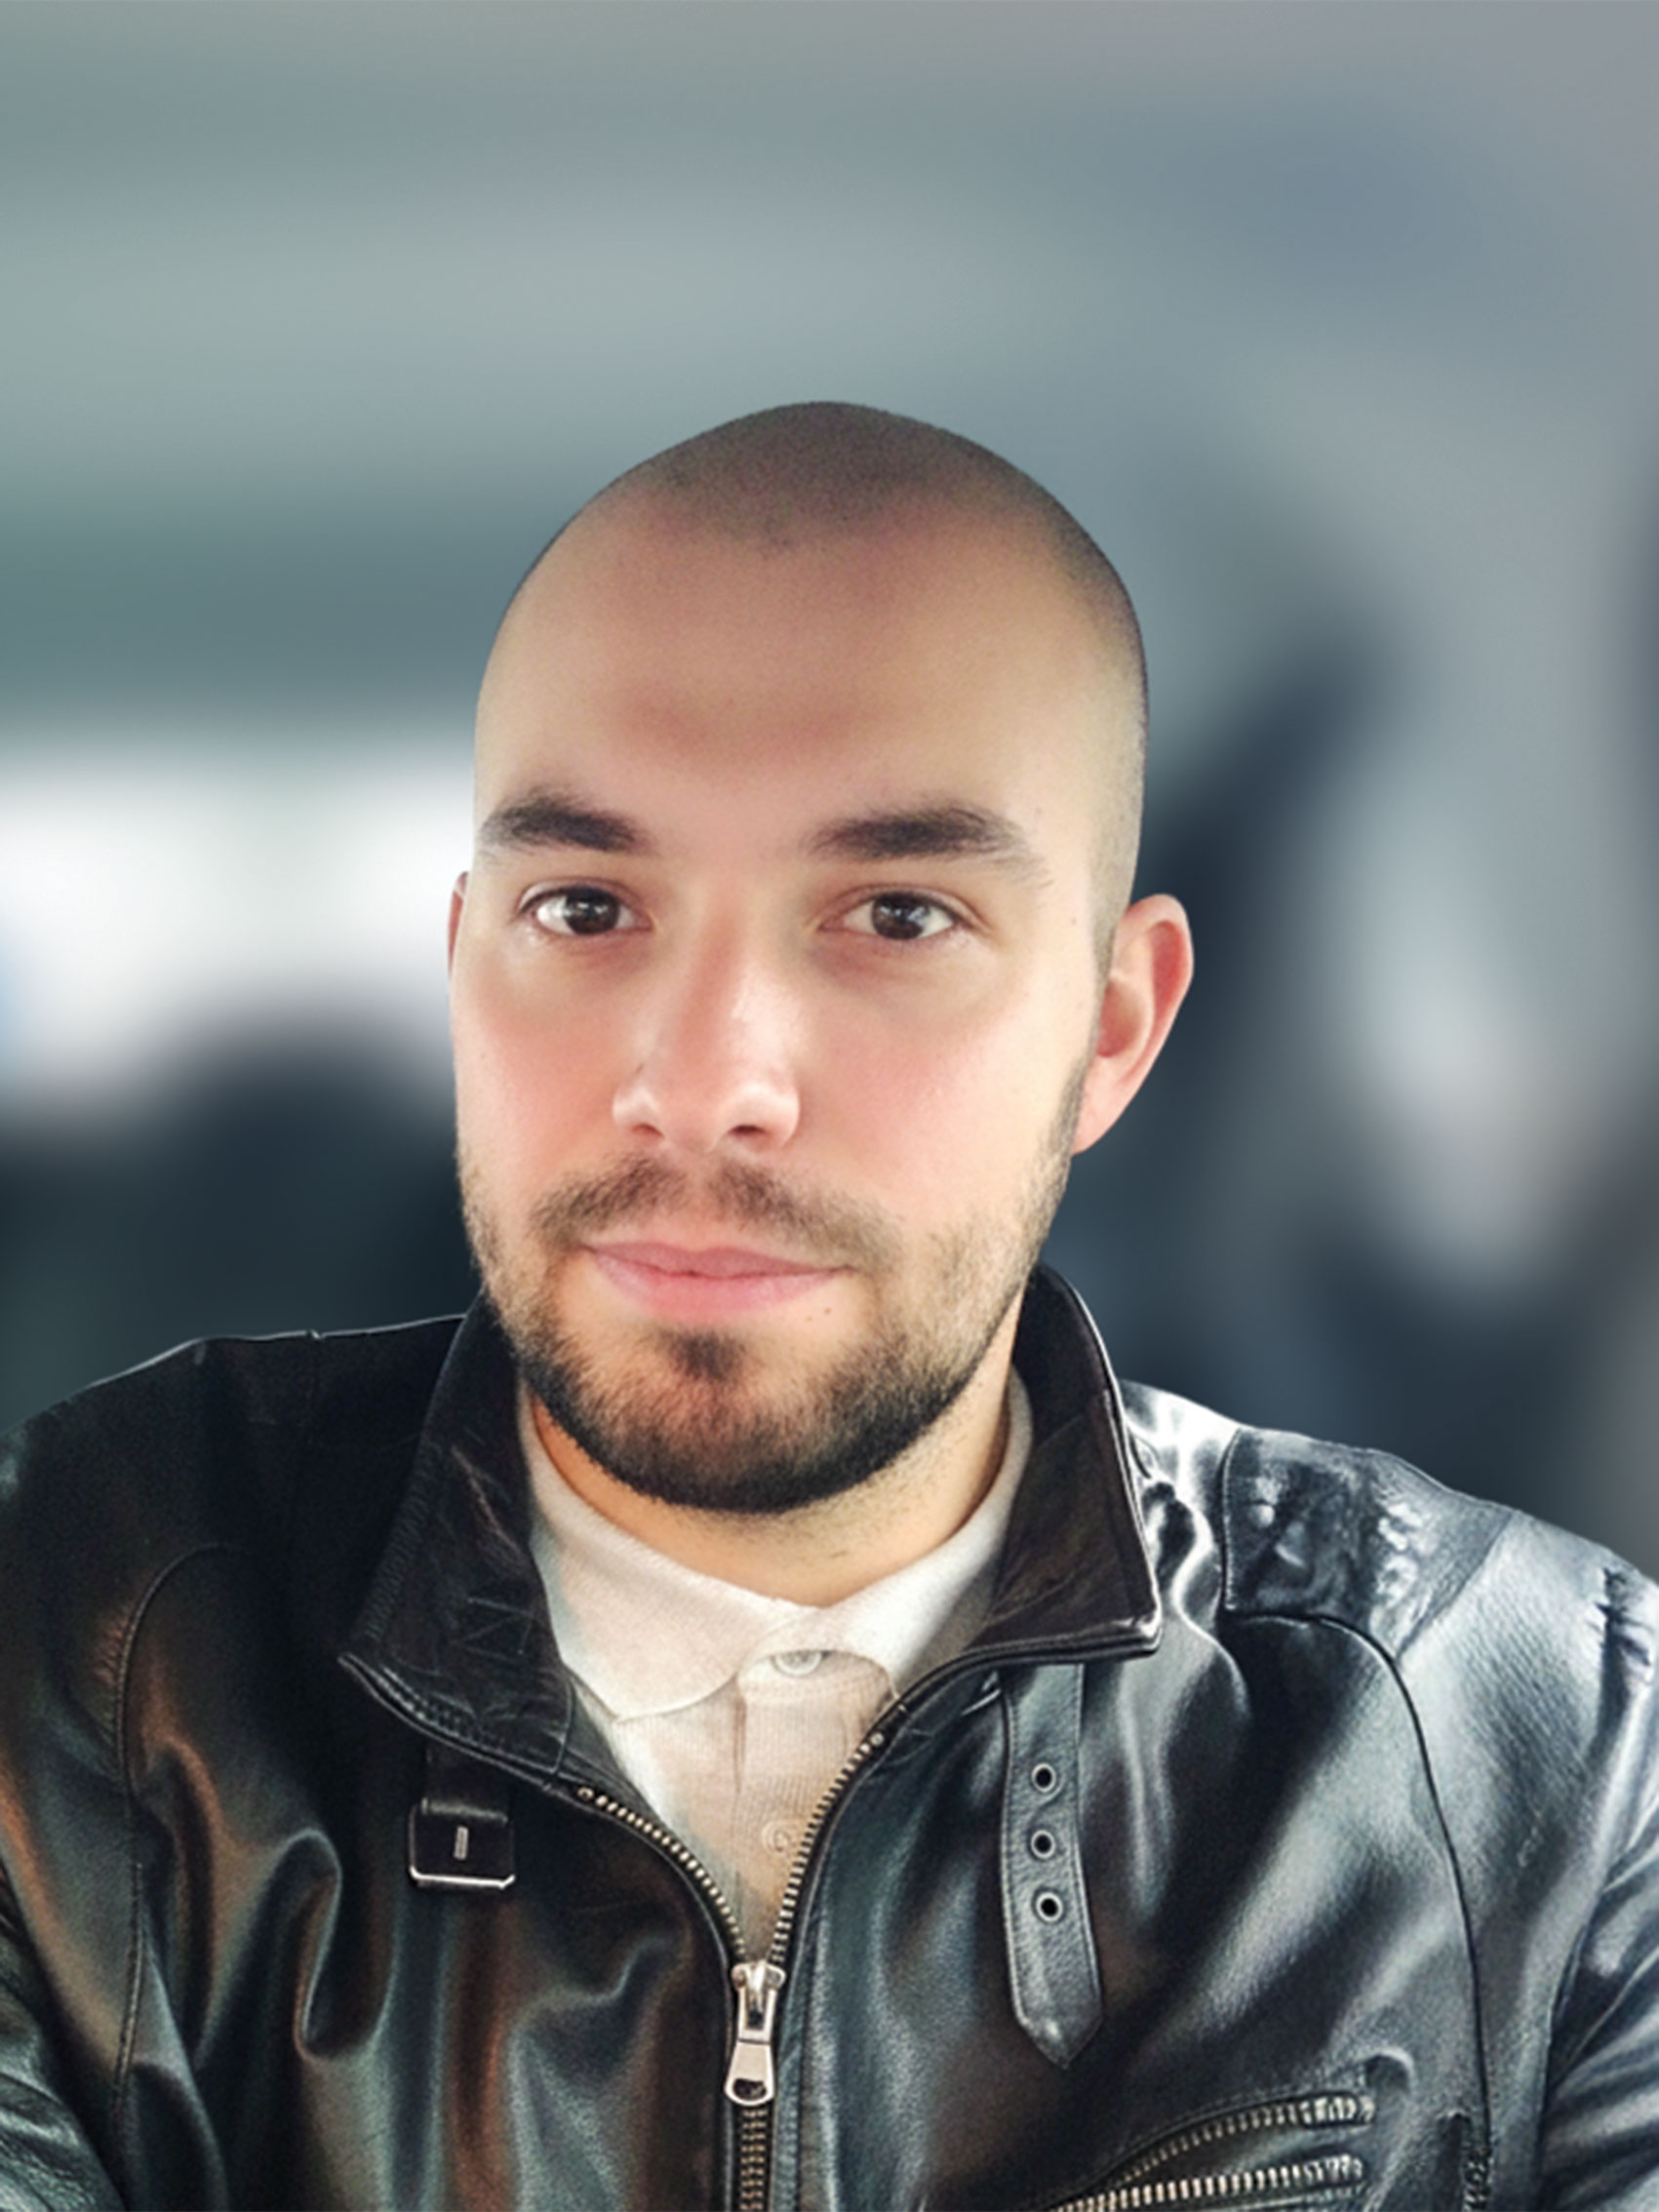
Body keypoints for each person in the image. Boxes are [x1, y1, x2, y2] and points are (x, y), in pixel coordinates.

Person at [0, 404, 1654, 2212]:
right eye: (586, 906)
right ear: (463, 966)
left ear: (1112, 1027)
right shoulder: (63, 1640)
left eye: (895, 916)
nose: (704, 1083)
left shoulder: (1551, 1753)